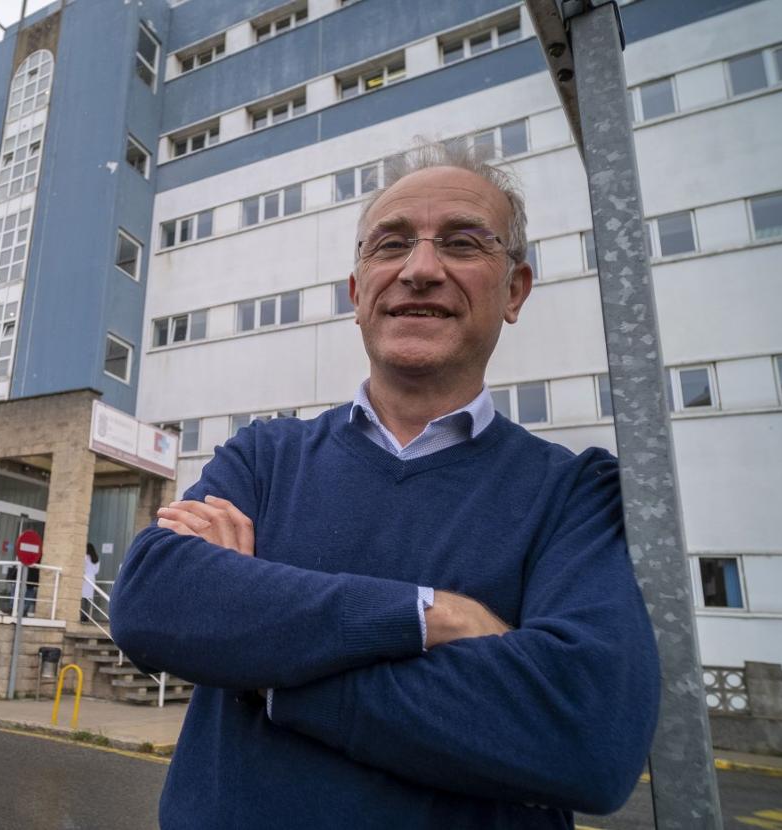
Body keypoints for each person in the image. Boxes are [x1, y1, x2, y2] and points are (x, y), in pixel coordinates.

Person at [110, 142, 660, 829]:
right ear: (357, 291)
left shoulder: (573, 493)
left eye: (462, 242)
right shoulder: (264, 457)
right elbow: (153, 599)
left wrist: (269, 672)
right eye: (391, 245)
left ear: (514, 289)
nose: (420, 269)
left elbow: (587, 734)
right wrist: (429, 615)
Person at [81, 543, 101, 622]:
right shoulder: (96, 558)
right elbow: (97, 571)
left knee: (83, 597)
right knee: (89, 598)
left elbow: (82, 568)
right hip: (92, 578)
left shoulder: (84, 557)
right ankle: (87, 616)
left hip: (85, 577)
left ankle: (82, 615)